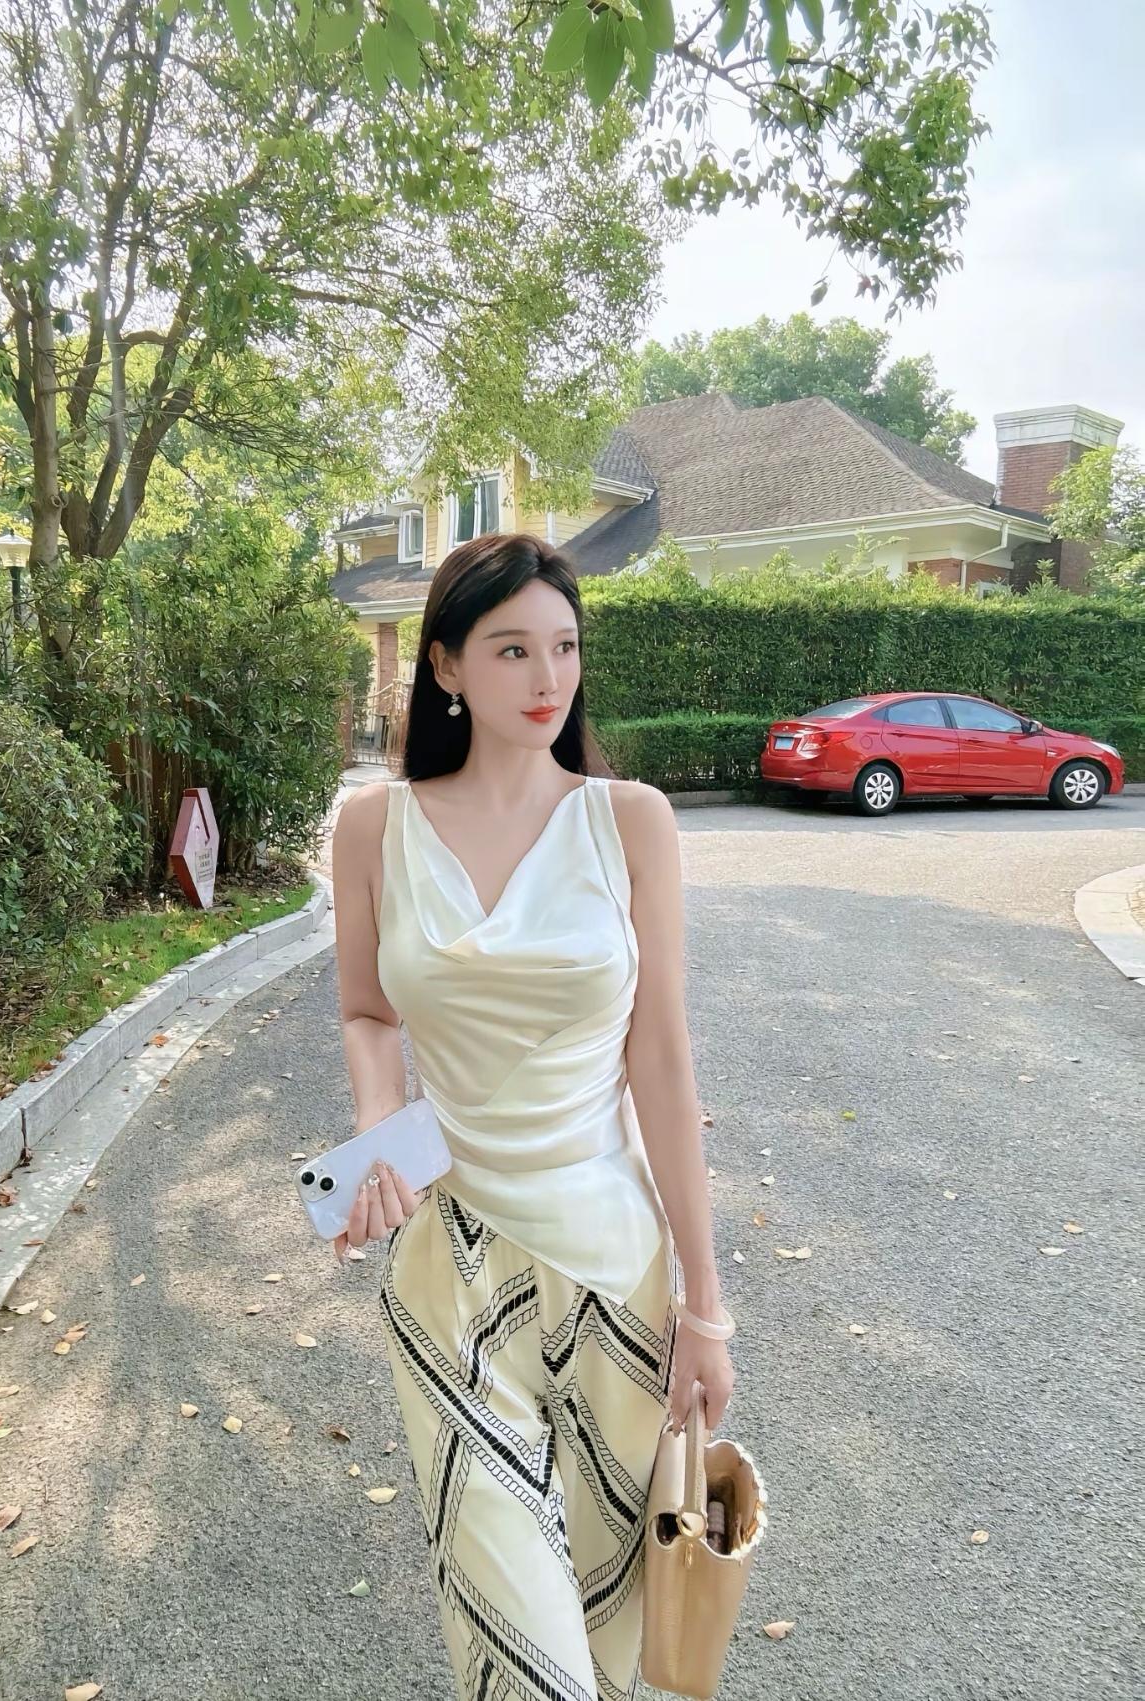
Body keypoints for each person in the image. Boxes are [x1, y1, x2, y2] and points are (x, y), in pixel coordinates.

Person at [330, 531, 735, 1701]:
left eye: (564, 647)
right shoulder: (375, 826)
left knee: (615, 1625)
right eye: (512, 650)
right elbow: (367, 1011)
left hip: (614, 1262)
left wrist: (706, 1309)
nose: (547, 677)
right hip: (446, 1269)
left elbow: (662, 1059)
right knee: (522, 1653)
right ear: (446, 665)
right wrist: (380, 1137)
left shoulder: (630, 821)